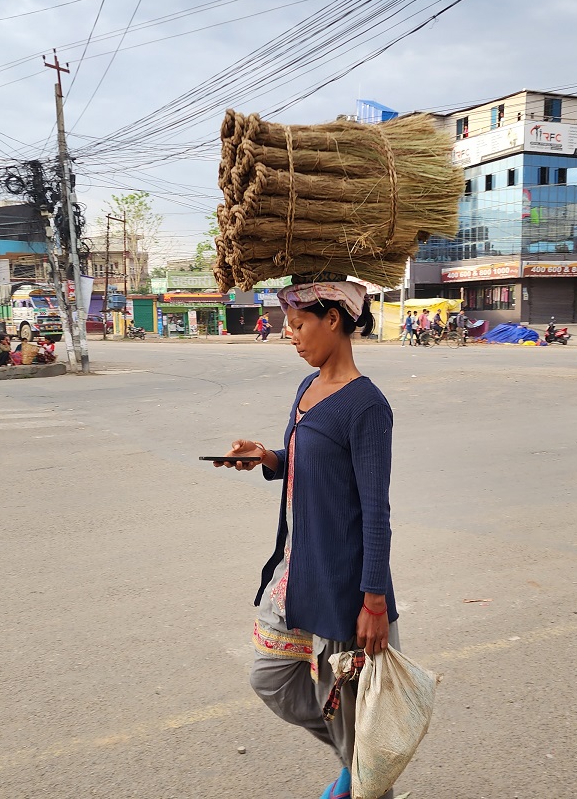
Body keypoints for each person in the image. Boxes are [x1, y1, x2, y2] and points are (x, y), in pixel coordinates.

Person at [213, 279, 398, 799]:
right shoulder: (308, 387)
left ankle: (363, 777)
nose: (289, 336)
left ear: (333, 320)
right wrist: (267, 457)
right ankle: (355, 762)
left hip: (344, 580)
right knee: (271, 678)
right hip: (297, 566)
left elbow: (375, 509)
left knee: (344, 701)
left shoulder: (366, 406)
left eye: (297, 325)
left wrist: (374, 599)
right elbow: (306, 464)